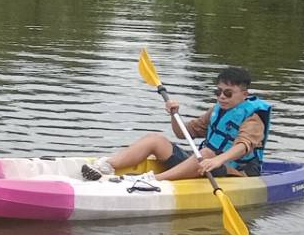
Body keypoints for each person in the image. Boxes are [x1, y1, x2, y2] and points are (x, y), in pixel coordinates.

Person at [82, 66, 271, 182]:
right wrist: (174, 115)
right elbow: (183, 133)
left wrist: (216, 160)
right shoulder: (217, 110)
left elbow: (243, 146)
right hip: (205, 164)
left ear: (244, 95)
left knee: (205, 153)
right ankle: (106, 165)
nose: (221, 96)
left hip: (235, 172)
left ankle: (153, 180)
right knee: (155, 140)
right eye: (218, 91)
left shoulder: (253, 118)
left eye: (228, 93)